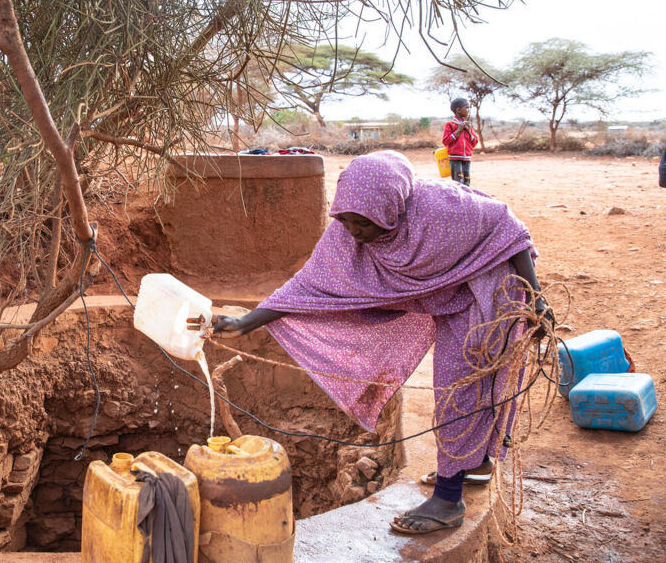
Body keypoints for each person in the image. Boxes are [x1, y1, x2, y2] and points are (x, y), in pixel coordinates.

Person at [194, 151, 552, 535]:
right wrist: (247, 322)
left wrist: (537, 299)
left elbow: (510, 232)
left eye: (362, 223)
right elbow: (308, 285)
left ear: (391, 207)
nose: (354, 232)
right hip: (451, 299)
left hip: (490, 289)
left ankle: (449, 499)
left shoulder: (443, 209)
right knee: (465, 389)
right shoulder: (348, 227)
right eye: (345, 221)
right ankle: (473, 465)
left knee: (460, 390)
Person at [443, 98, 478, 186]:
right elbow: (445, 141)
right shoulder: (450, 124)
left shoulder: (467, 125)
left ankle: (467, 199)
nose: (468, 110)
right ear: (458, 110)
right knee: (458, 183)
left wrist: (468, 131)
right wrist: (458, 130)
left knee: (467, 182)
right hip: (455, 158)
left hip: (467, 158)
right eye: (466, 107)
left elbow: (475, 142)